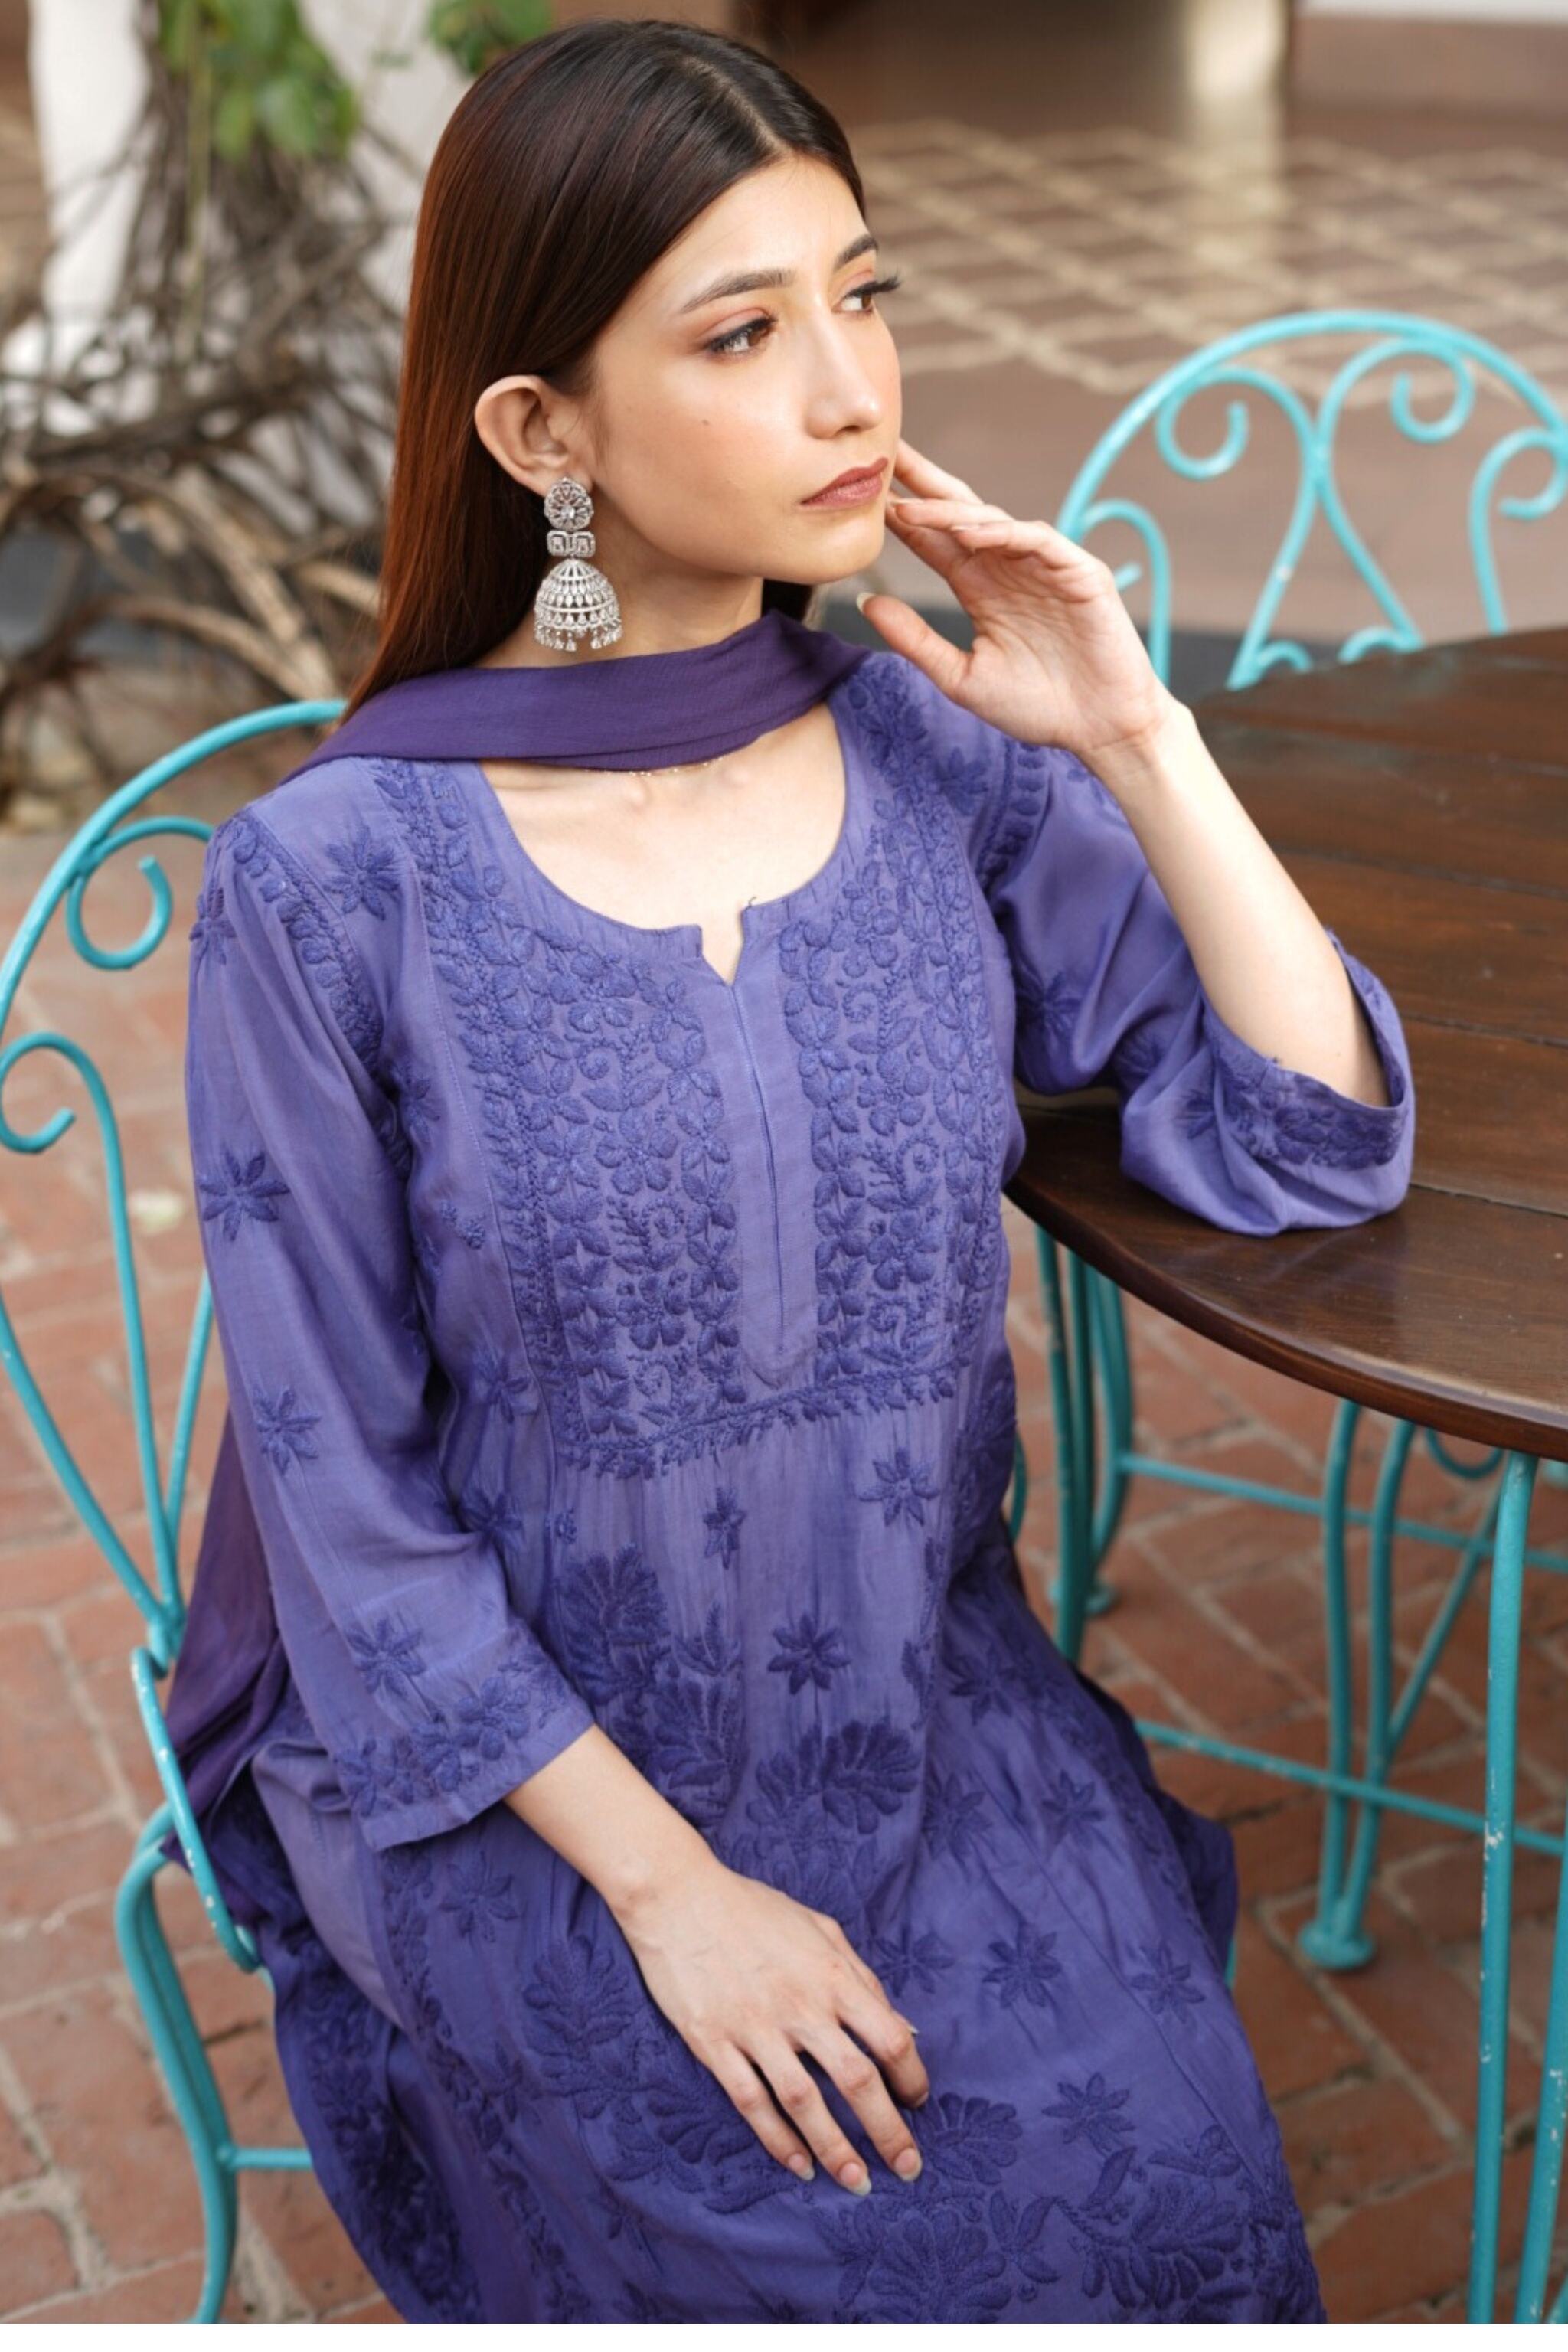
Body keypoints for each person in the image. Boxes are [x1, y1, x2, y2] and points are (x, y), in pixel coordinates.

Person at [158, 16, 1416, 2322]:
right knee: (794, 2246)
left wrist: (1136, 730)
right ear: (542, 433)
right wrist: (671, 1896)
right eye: (746, 332)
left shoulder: (934, 757)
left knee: (1169, 2204)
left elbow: (1303, 1139)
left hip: (928, 1718)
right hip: (525, 1785)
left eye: (870, 295)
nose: (856, 393)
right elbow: (348, 1513)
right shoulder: (339, 886)